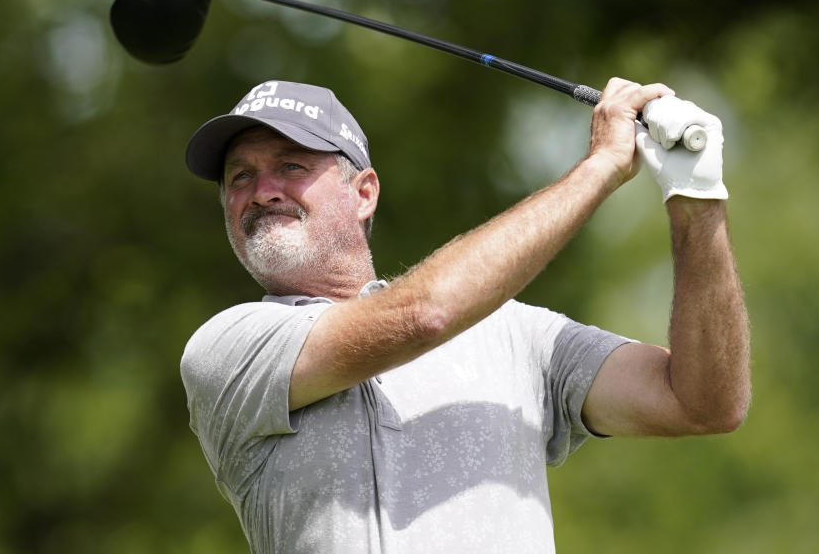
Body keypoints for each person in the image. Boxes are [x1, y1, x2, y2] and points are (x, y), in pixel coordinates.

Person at [179, 78, 750, 553]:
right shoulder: (228, 347)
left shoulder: (518, 333)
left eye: (291, 165)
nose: (262, 191)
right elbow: (422, 314)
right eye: (240, 176)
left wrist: (697, 200)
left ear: (364, 193)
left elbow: (703, 402)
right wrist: (600, 167)